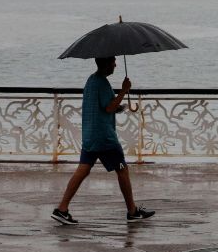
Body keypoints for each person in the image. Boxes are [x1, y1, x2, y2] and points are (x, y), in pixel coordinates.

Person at [51, 56, 155, 225]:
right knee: (122, 169)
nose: (115, 64)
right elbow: (109, 107)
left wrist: (119, 106)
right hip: (104, 138)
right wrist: (124, 91)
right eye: (113, 61)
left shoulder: (91, 81)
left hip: (90, 135)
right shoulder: (102, 83)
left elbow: (103, 107)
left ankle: (62, 209)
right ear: (106, 64)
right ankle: (132, 211)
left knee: (83, 169)